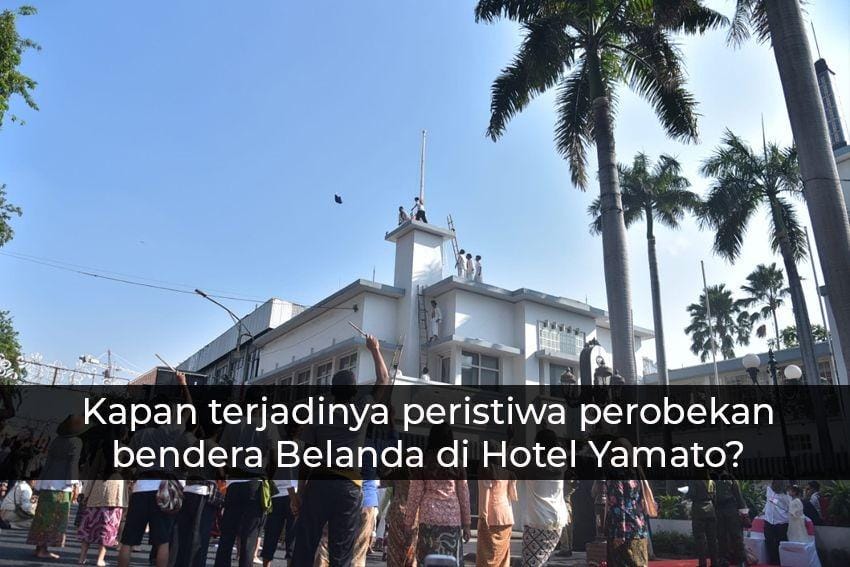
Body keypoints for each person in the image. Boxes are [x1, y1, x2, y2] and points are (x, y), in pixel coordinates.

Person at [293, 334, 392, 567]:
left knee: (305, 546)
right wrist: (375, 349)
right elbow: (384, 380)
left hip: (318, 485)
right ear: (354, 391)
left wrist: (301, 492)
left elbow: (307, 458)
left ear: (332, 391)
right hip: (349, 487)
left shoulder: (318, 414)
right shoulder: (361, 410)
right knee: (342, 551)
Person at [117, 372, 192, 567]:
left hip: (141, 486)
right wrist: (183, 384)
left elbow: (125, 462)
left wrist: (132, 476)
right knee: (163, 541)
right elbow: (189, 409)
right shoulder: (173, 431)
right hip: (165, 488)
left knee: (128, 541)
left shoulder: (140, 435)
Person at [213, 390, 281, 567]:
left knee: (227, 534)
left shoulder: (232, 424)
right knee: (249, 537)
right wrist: (268, 476)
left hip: (234, 483)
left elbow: (219, 455)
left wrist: (224, 475)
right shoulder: (269, 426)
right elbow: (275, 457)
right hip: (256, 483)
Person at [404, 423, 471, 565]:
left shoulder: (423, 461)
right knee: (451, 561)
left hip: (429, 518)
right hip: (452, 519)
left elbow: (415, 493)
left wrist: (408, 522)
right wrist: (467, 524)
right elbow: (464, 495)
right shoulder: (457, 463)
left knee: (427, 560)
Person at [27, 414, 85, 560]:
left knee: (42, 515)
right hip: (61, 486)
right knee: (55, 517)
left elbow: (48, 463)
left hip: (47, 482)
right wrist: (75, 485)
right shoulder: (76, 442)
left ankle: (39, 547)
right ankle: (44, 549)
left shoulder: (56, 440)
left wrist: (38, 486)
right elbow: (73, 464)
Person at [169, 421, 224, 567]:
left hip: (188, 489)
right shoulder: (214, 447)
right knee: (199, 534)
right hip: (203, 493)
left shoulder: (194, 445)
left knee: (183, 532)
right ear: (218, 431)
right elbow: (221, 472)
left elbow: (182, 465)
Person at [522, 429, 567, 567]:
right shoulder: (560, 464)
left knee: (531, 564)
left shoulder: (533, 466)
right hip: (557, 520)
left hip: (538, 521)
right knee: (542, 562)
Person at [260, 424, 300, 566]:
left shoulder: (278, 446)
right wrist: (294, 497)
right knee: (292, 537)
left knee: (271, 533)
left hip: (276, 493)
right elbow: (289, 473)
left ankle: (266, 564)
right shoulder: (296, 446)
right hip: (292, 494)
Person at [476, 450, 517, 567]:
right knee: (503, 558)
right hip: (507, 517)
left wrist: (482, 518)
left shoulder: (486, 471)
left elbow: (485, 497)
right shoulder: (507, 472)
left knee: (487, 557)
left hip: (491, 518)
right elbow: (514, 496)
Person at [77, 475, 126, 567]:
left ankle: (82, 558)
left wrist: (85, 494)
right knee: (106, 531)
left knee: (88, 528)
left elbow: (91, 476)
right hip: (115, 497)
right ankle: (100, 559)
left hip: (95, 495)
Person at [715, 470, 748, 567]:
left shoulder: (731, 478)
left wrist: (744, 513)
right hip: (718, 509)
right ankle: (723, 559)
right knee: (721, 535)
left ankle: (741, 560)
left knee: (736, 535)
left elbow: (738, 496)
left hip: (731, 507)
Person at [684, 474, 718, 567]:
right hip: (711, 510)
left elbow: (691, 494)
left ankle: (702, 564)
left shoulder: (694, 480)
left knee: (700, 540)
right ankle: (714, 563)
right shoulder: (711, 481)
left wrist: (686, 494)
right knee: (712, 539)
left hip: (699, 511)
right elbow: (715, 497)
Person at [763, 479, 790, 565]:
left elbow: (788, 508)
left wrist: (774, 500)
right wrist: (763, 511)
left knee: (781, 543)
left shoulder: (786, 495)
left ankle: (782, 562)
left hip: (781, 522)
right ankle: (773, 562)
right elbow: (768, 502)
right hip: (768, 521)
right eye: (774, 483)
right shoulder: (769, 489)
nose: (775, 485)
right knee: (769, 542)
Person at [556, 476, 578, 557]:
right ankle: (569, 547)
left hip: (563, 501)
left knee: (563, 526)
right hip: (566, 501)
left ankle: (565, 548)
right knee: (568, 526)